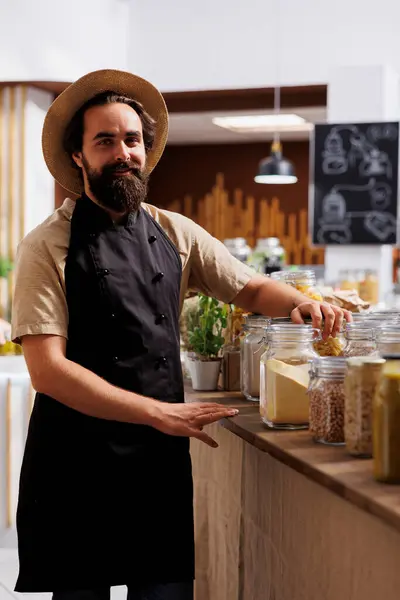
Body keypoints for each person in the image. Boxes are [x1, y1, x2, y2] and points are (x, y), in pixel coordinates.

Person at [11, 69, 350, 600]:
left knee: (165, 591)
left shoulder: (173, 232)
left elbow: (251, 288)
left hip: (156, 462)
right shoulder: (46, 245)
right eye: (105, 140)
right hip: (76, 464)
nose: (122, 151)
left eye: (132, 139)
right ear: (78, 156)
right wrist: (157, 412)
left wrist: (304, 302)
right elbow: (48, 370)